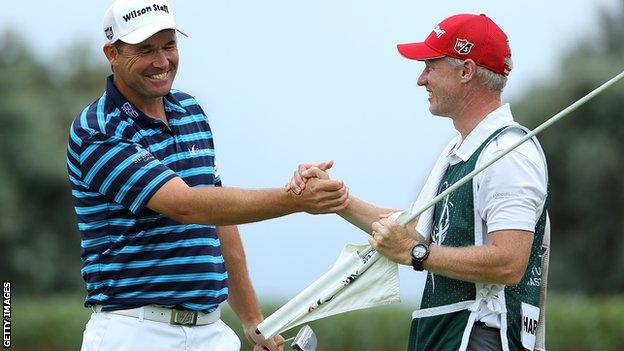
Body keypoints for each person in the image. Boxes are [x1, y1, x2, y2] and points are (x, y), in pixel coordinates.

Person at [66, 1, 349, 350]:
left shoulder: (190, 112)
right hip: (134, 329)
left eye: (169, 46)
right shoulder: (99, 129)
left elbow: (217, 218)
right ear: (112, 53)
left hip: (209, 328)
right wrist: (294, 200)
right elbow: (188, 206)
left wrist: (253, 320)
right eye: (145, 50)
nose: (162, 61)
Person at [288, 14, 549, 351]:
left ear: (466, 71)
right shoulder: (458, 150)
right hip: (445, 334)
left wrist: (416, 253)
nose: (421, 79)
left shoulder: (509, 154)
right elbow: (414, 230)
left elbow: (509, 262)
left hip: (481, 335)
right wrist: (336, 198)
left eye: (430, 66)